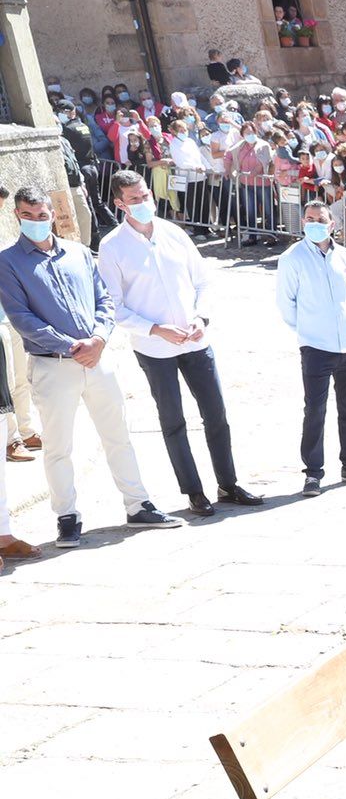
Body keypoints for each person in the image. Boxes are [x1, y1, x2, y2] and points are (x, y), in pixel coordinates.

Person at [0, 186, 176, 549]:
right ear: (18, 216)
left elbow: (105, 300)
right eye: (28, 216)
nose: (37, 221)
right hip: (53, 365)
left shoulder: (79, 253)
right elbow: (22, 317)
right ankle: (67, 516)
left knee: (118, 434)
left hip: (98, 358)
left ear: (51, 212)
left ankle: (138, 504)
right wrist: (70, 346)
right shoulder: (8, 262)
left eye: (42, 214)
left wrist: (98, 339)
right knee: (58, 447)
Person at [97, 170, 263, 518]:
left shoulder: (174, 233)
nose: (143, 203)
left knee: (216, 413)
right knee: (173, 420)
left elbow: (203, 282)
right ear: (119, 203)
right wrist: (155, 329)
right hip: (155, 348)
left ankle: (228, 483)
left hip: (196, 341)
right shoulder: (112, 247)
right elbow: (113, 306)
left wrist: (201, 318)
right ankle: (194, 491)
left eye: (145, 196)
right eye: (134, 199)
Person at [276, 200, 346, 495]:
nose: (313, 223)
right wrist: (310, 330)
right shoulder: (292, 258)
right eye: (308, 219)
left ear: (331, 224)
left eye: (319, 219)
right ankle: (313, 473)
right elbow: (286, 304)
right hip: (316, 347)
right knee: (315, 411)